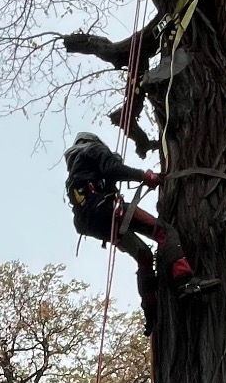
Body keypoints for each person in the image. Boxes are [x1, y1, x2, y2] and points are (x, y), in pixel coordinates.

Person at [64, 133, 218, 334]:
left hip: (92, 223)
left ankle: (151, 312)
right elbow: (113, 169)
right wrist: (144, 176)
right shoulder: (92, 149)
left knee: (144, 255)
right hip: (107, 209)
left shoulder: (75, 170)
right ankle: (184, 281)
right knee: (164, 232)